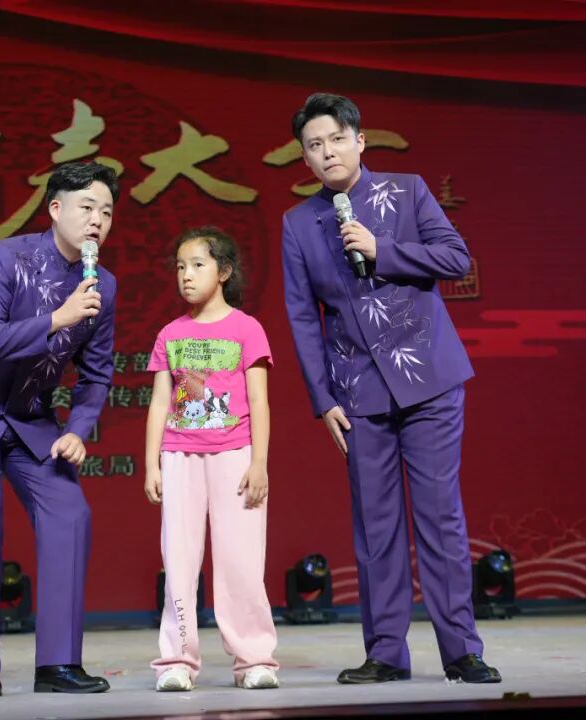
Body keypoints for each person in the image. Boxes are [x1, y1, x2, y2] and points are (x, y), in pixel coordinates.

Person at [281, 93, 501, 684]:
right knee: (376, 526)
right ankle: (385, 653)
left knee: (439, 516)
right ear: (305, 158)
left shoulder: (407, 191)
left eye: (336, 139)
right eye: (314, 146)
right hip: (358, 391)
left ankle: (462, 650)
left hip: (429, 378)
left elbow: (455, 258)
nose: (327, 152)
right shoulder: (299, 224)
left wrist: (383, 251)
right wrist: (322, 398)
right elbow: (302, 316)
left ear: (359, 141)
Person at [0, 161, 119, 696]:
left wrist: (78, 428)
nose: (97, 220)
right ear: (55, 209)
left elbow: (97, 372)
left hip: (29, 417)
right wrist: (59, 318)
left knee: (69, 514)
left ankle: (58, 664)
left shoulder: (102, 285)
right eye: (86, 207)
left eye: (106, 212)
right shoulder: (4, 258)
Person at [143, 226, 280, 692]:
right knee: (179, 563)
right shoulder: (170, 334)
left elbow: (259, 401)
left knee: (241, 561)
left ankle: (254, 659)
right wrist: (152, 464)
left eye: (198, 265)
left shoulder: (247, 328)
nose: (186, 275)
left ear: (223, 272)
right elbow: (160, 402)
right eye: (181, 266)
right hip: (180, 457)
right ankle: (177, 660)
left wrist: (259, 463)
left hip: (235, 456)